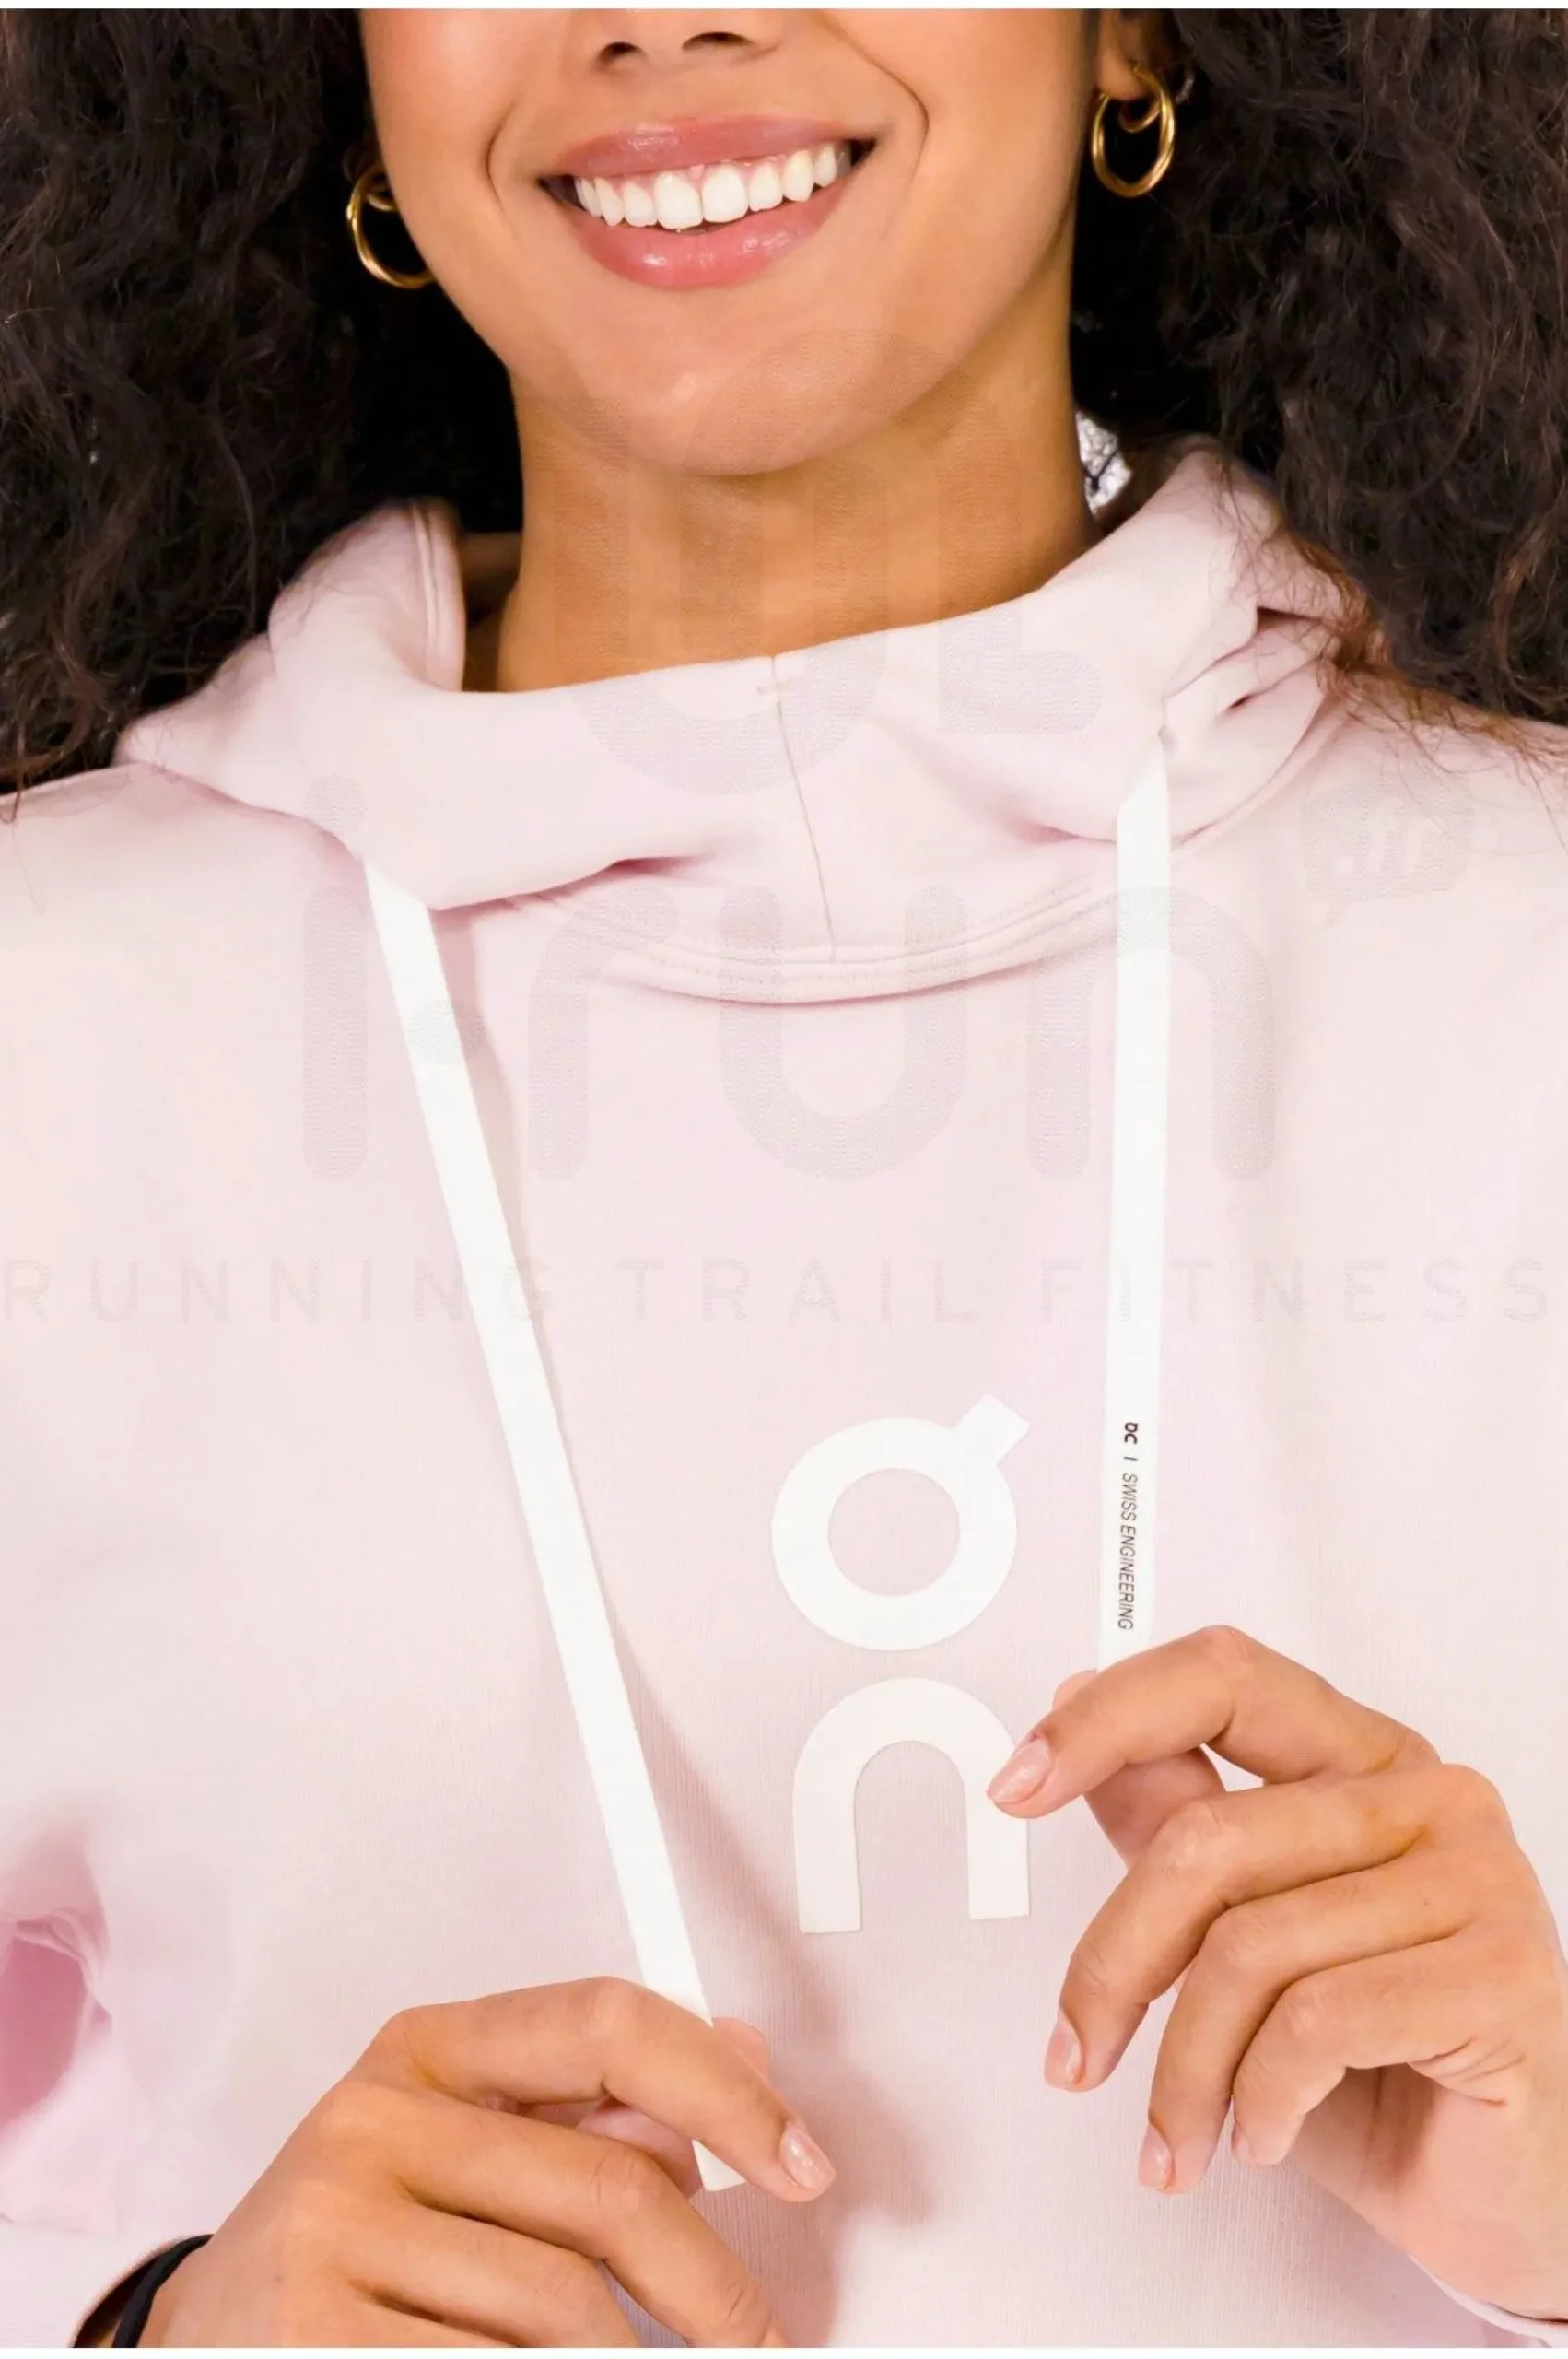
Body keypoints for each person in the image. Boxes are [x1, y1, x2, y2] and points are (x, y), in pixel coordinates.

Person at [6, 5, 1568, 2346]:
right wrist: (154, 2327)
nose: (662, 17)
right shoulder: (53, 1022)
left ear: (1129, 36)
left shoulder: (1522, 943)